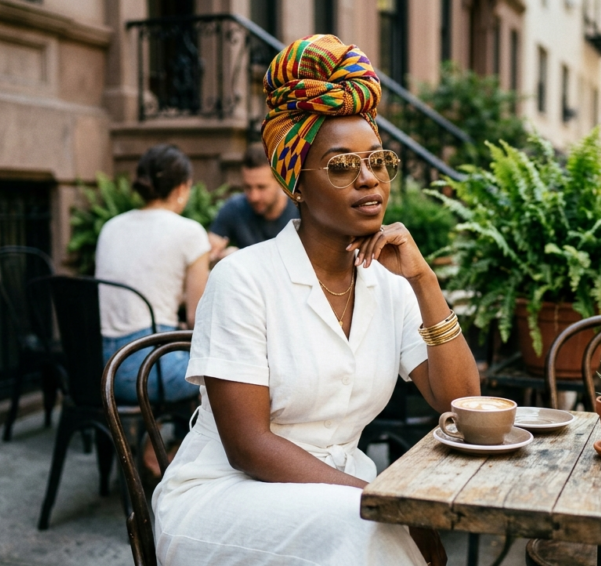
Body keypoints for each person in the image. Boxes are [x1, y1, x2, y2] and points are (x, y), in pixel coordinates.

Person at [151, 34, 480, 566]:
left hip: (339, 494)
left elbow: (460, 403)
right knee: (369, 533)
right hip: (225, 496)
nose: (368, 177)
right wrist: (377, 501)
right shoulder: (242, 279)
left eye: (376, 160)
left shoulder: (389, 285)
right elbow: (249, 447)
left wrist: (424, 282)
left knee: (375, 532)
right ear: (296, 184)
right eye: (342, 165)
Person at [96, 144, 209, 406]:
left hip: (102, 368)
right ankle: (168, 445)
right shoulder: (189, 232)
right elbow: (197, 318)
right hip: (150, 370)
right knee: (227, 370)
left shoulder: (111, 227)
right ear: (182, 188)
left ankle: (155, 439)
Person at [208, 145, 299, 261]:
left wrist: (240, 258)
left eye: (261, 187)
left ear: (281, 182)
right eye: (247, 187)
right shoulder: (234, 207)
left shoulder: (301, 211)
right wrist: (217, 255)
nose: (254, 197)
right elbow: (210, 250)